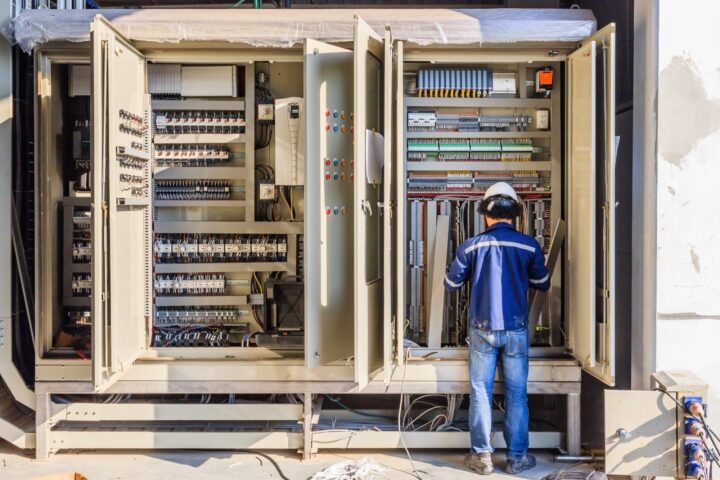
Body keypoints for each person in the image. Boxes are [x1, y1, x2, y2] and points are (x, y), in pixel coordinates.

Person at [443, 182, 550, 475]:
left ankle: (482, 457)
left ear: (485, 214)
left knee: (480, 392)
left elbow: (451, 284)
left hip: (481, 329)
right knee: (517, 395)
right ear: (515, 213)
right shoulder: (529, 245)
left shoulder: (471, 246)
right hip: (516, 329)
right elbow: (543, 283)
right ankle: (516, 458)